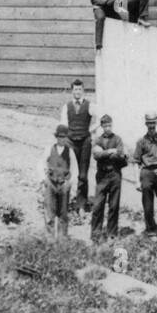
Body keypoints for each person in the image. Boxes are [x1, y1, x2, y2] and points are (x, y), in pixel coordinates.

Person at [61, 79, 97, 209]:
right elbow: (63, 125)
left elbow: (101, 118)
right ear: (72, 91)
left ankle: (81, 204)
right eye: (75, 89)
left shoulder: (90, 105)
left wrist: (90, 130)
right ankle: (67, 202)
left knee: (82, 174)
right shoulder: (67, 106)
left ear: (83, 91)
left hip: (85, 143)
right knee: (68, 172)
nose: (77, 92)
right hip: (70, 141)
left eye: (79, 89)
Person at [90, 115, 125, 240]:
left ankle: (112, 234)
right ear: (102, 126)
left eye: (109, 125)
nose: (107, 128)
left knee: (114, 205)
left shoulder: (118, 139)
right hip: (102, 175)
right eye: (105, 126)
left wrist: (104, 153)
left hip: (115, 174)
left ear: (112, 124)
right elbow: (96, 155)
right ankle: (95, 234)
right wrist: (111, 151)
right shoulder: (98, 140)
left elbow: (121, 155)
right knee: (98, 205)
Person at [40, 124, 72, 238]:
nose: (61, 139)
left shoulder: (70, 151)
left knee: (63, 213)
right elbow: (42, 163)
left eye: (64, 137)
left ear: (66, 138)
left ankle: (63, 239)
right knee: (50, 212)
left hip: (63, 184)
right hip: (51, 183)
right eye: (59, 137)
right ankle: (50, 238)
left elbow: (75, 169)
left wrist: (69, 183)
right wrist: (44, 179)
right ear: (56, 137)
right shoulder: (49, 149)